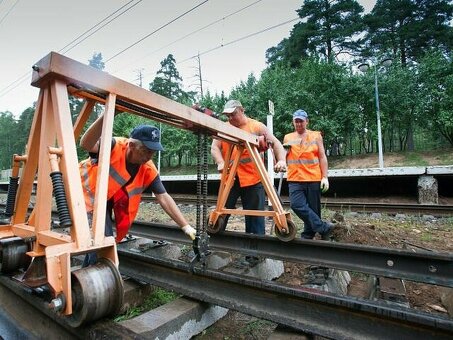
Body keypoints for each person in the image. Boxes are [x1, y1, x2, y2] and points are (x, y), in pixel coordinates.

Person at [79, 115, 196, 265]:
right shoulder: (113, 146)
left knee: (101, 244)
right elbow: (86, 143)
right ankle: (92, 282)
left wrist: (185, 226)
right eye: (146, 151)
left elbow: (163, 196)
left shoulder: (148, 167)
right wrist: (108, 114)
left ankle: (86, 281)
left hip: (103, 201)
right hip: (82, 195)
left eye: (153, 152)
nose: (149, 156)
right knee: (102, 243)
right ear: (131, 145)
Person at [211, 99, 287, 239]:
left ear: (242, 110)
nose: (230, 118)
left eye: (233, 114)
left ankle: (255, 254)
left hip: (253, 178)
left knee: (254, 216)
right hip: (230, 178)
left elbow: (275, 143)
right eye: (228, 116)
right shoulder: (224, 127)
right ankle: (214, 242)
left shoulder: (256, 127)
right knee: (220, 213)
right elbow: (215, 147)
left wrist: (281, 160)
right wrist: (220, 162)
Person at [283, 109, 335, 240]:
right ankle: (324, 228)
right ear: (293, 122)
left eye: (301, 121)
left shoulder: (316, 136)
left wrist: (325, 177)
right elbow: (283, 156)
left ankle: (308, 235)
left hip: (313, 178)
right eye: (296, 121)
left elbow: (322, 157)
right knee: (297, 205)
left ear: (307, 121)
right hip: (295, 178)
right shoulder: (288, 137)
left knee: (313, 209)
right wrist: (280, 157)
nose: (299, 124)